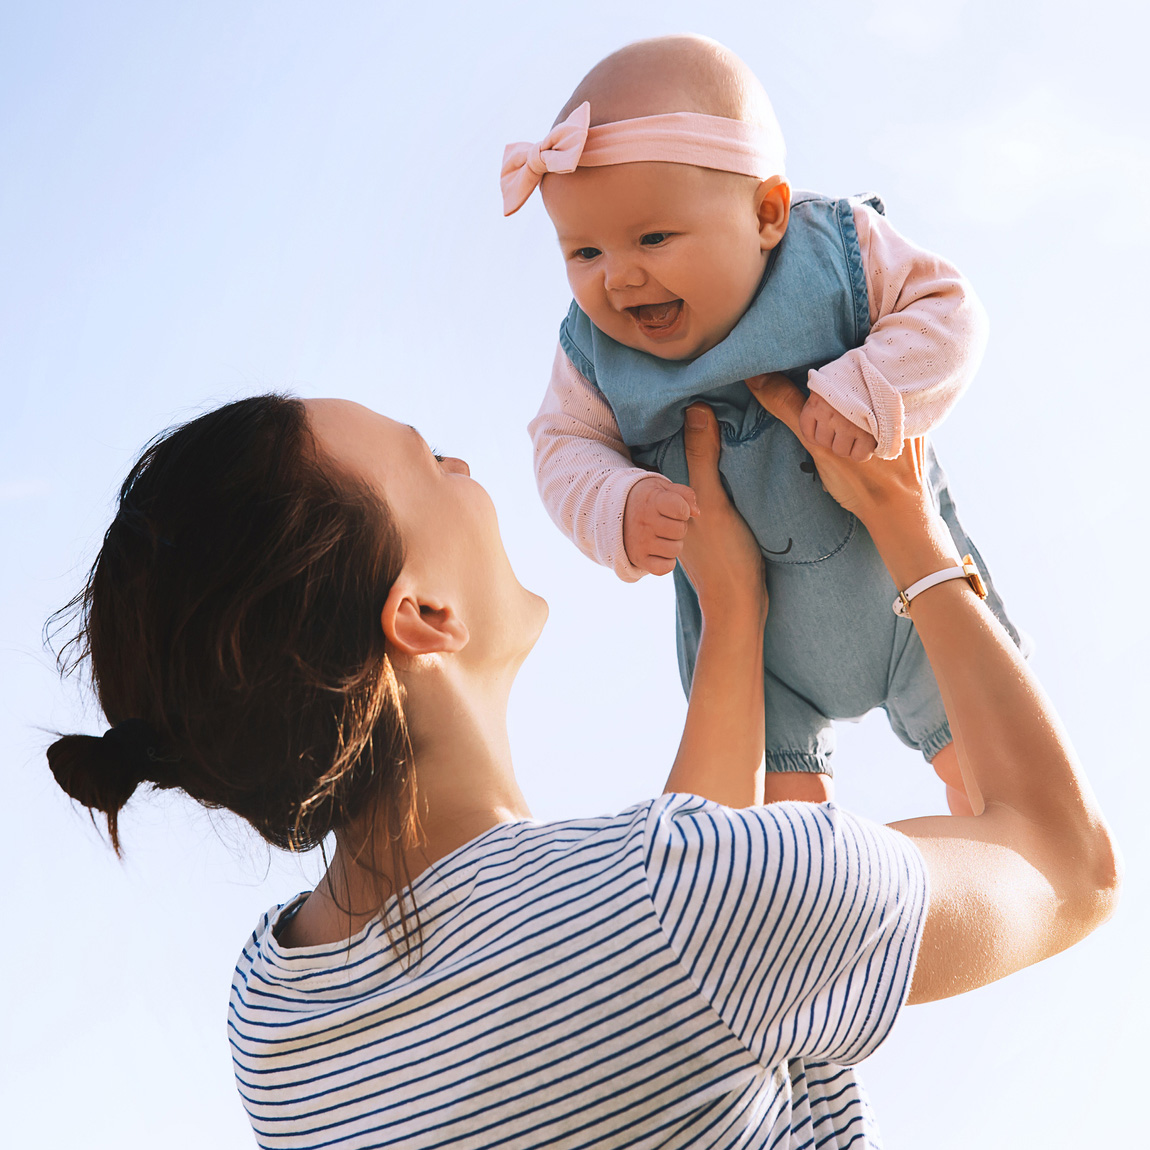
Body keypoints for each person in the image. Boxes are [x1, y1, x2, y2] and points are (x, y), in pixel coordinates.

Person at [45, 377, 1118, 1148]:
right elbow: (1068, 867)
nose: (464, 466)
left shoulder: (279, 1020)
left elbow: (646, 977)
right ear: (422, 615)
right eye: (430, 462)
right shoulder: (689, 906)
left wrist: (732, 610)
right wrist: (908, 525)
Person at [508, 34, 1025, 813]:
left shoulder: (833, 253)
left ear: (767, 214)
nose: (619, 276)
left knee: (997, 785)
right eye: (583, 252)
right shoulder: (592, 356)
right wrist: (616, 503)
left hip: (909, 594)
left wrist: (870, 388)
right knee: (778, 842)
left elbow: (949, 311)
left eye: (653, 237)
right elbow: (562, 445)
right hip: (762, 656)